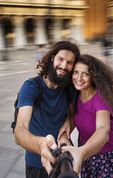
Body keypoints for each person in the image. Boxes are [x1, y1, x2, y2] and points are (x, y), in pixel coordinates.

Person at [60, 54, 113, 177]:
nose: (79, 78)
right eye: (75, 72)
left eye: (85, 74)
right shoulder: (76, 96)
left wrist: (82, 152)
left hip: (108, 158)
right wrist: (65, 130)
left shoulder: (101, 99)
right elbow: (73, 119)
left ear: (94, 77)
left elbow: (103, 130)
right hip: (87, 158)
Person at [14, 39, 80, 178]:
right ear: (52, 58)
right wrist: (41, 144)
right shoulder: (31, 87)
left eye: (69, 63)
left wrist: (64, 132)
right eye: (60, 59)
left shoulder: (69, 88)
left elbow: (72, 115)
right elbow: (19, 131)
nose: (63, 66)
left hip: (64, 159)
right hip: (37, 163)